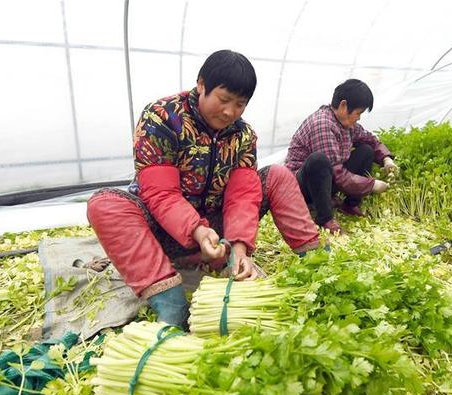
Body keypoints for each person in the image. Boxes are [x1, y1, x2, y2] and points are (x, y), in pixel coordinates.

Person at [87, 50, 320, 328]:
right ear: (201, 85)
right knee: (104, 204)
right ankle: (170, 301)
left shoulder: (243, 135)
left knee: (278, 175)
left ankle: (317, 261)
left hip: (216, 228)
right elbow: (160, 194)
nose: (229, 112)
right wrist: (196, 231)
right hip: (163, 229)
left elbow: (243, 196)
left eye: (240, 104)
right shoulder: (163, 118)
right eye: (223, 100)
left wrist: (239, 247)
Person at [284, 79, 399, 234]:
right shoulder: (323, 124)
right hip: (301, 187)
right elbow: (336, 174)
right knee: (319, 161)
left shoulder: (346, 124)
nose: (359, 118)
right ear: (344, 106)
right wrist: (371, 185)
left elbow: (370, 140)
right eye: (358, 113)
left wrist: (386, 158)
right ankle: (325, 219)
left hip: (325, 182)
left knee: (366, 150)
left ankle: (350, 205)